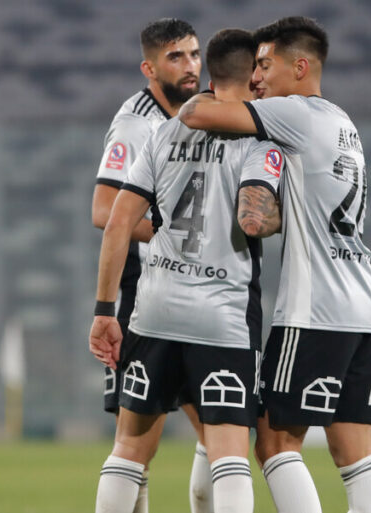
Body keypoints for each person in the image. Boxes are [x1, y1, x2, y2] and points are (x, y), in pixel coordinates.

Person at [178, 16, 371, 513]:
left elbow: (195, 116)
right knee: (355, 453)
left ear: (300, 67)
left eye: (265, 65)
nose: (257, 78)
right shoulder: (344, 123)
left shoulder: (292, 112)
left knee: (273, 442)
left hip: (314, 311)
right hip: (365, 308)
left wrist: (215, 92)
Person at [89, 28, 283, 513]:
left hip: (153, 311)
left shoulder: (164, 131)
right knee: (229, 455)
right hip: (221, 315)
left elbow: (116, 223)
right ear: (253, 76)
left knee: (129, 451)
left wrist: (104, 311)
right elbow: (253, 220)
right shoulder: (261, 139)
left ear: (211, 71)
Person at [91, 18, 212, 513]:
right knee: (139, 439)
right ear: (149, 68)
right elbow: (104, 211)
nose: (190, 67)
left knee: (219, 431)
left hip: (198, 290)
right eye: (175, 58)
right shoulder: (135, 123)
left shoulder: (203, 113)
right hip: (147, 290)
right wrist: (178, 236)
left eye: (194, 55)